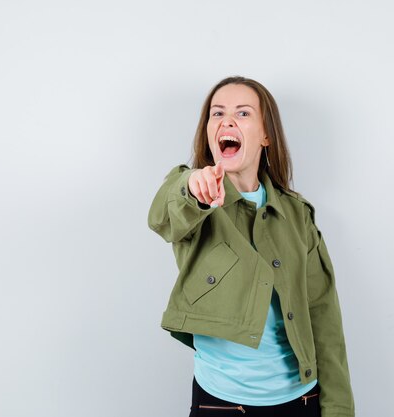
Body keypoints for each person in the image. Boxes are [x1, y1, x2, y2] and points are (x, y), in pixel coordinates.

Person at [148, 76, 355, 416]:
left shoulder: (297, 214)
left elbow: (323, 316)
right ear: (208, 134)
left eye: (243, 113)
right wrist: (193, 186)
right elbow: (164, 216)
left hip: (303, 401)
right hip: (221, 404)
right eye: (217, 114)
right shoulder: (192, 196)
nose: (227, 120)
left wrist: (339, 409)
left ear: (266, 135)